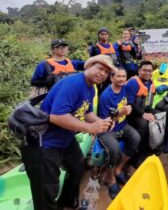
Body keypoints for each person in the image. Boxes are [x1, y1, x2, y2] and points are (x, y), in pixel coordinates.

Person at [21, 55, 115, 210]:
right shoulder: (74, 84)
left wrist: (99, 122)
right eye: (100, 68)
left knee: (77, 167)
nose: (102, 74)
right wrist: (90, 128)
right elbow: (57, 116)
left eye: (106, 72)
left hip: (64, 139)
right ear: (89, 66)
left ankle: (67, 203)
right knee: (46, 192)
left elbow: (86, 112)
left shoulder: (91, 88)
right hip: (43, 143)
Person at [98, 68, 141, 199]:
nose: (122, 79)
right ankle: (109, 178)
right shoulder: (106, 96)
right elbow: (105, 122)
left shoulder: (125, 88)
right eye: (118, 76)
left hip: (123, 125)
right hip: (107, 129)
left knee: (136, 138)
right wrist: (120, 113)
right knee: (114, 149)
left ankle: (118, 168)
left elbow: (136, 87)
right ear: (111, 78)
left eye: (124, 76)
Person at [125, 60, 159, 165]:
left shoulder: (150, 81)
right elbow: (130, 103)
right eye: (145, 70)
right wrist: (143, 114)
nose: (147, 73)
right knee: (143, 123)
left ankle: (152, 145)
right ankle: (138, 154)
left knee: (159, 115)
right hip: (131, 113)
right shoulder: (133, 82)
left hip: (144, 108)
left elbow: (149, 99)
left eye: (150, 71)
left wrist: (148, 112)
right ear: (139, 70)